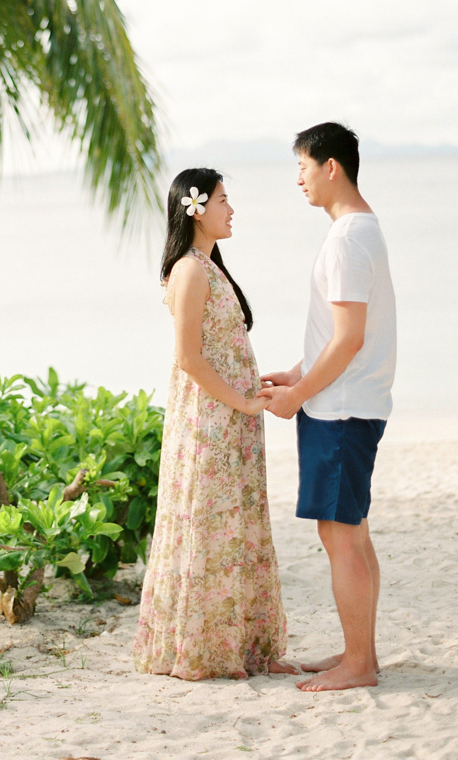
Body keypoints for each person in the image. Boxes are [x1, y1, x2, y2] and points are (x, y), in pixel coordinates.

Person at [133, 168, 297, 680]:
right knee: (210, 524)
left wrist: (255, 389)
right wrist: (243, 403)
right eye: (224, 200)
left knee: (235, 524)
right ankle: (203, 649)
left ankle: (241, 645)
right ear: (196, 207)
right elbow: (188, 357)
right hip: (211, 421)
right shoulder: (189, 269)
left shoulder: (208, 264)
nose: (232, 209)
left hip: (231, 421)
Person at [263, 122, 396, 692]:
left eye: (302, 166)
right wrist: (297, 373)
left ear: (331, 166)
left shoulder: (347, 238)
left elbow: (349, 339)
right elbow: (336, 337)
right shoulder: (359, 230)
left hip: (340, 410)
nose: (299, 179)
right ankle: (356, 652)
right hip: (344, 401)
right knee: (352, 533)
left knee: (341, 535)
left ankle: (359, 665)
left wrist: (297, 395)